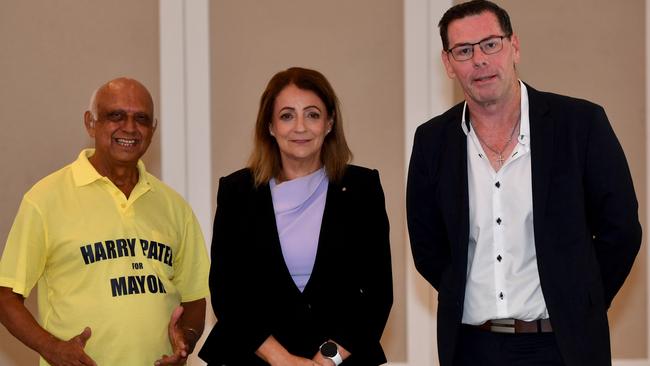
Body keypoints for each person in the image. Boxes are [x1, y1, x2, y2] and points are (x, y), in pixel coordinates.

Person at [406, 1, 641, 365]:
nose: (479, 60)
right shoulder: (432, 141)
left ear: (514, 46)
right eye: (464, 51)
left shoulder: (580, 125)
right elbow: (427, 247)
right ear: (448, 64)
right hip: (471, 347)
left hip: (563, 346)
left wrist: (581, 301)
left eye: (490, 44)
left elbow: (621, 230)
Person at [0, 77, 210, 366]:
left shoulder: (175, 207)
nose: (129, 127)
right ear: (90, 123)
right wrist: (52, 348)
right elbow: (6, 296)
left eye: (141, 119)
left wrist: (185, 340)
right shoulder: (45, 199)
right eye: (116, 116)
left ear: (153, 129)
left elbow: (195, 298)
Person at [198, 67, 393, 366]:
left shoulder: (362, 188)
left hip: (339, 361)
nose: (300, 127)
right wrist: (283, 361)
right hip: (252, 357)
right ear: (270, 126)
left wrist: (326, 360)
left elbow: (377, 294)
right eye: (287, 115)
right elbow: (227, 293)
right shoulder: (237, 191)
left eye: (312, 114)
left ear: (329, 123)